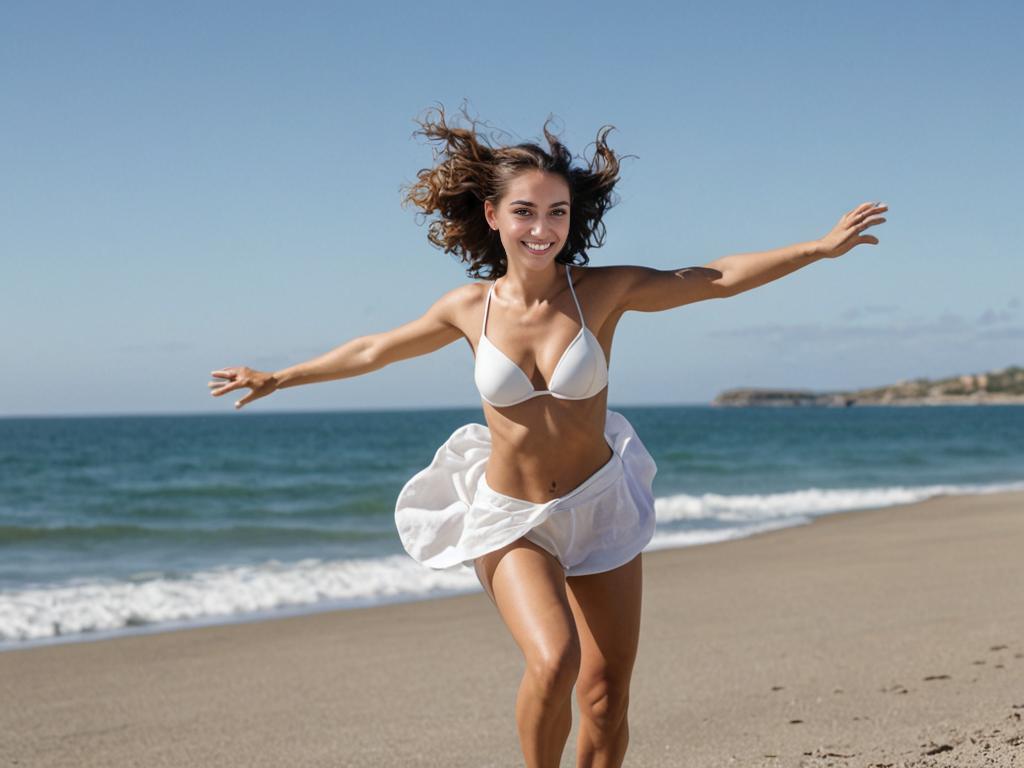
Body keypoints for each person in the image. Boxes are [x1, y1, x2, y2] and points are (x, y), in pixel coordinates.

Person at [208, 106, 887, 768]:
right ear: (494, 215)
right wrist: (280, 377)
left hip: (600, 506)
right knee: (556, 659)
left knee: (606, 695)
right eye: (526, 211)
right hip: (513, 516)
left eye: (557, 211)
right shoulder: (467, 307)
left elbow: (714, 279)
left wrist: (818, 249)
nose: (543, 227)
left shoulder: (603, 291)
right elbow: (371, 350)